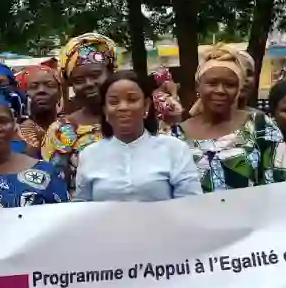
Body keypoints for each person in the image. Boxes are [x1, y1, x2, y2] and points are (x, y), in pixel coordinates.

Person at [172, 47, 286, 191]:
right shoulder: (176, 136)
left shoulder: (260, 127)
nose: (220, 90)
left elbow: (281, 182)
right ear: (198, 86)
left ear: (239, 88)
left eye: (230, 85)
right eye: (212, 83)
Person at [74, 70, 201, 202]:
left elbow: (191, 204)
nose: (123, 107)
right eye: (114, 102)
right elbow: (82, 206)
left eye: (132, 100)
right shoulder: (89, 155)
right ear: (105, 110)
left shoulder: (175, 149)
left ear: (146, 105)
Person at [42, 33, 117, 188]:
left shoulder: (135, 121)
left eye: (95, 75)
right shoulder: (60, 132)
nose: (88, 84)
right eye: (79, 80)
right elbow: (53, 185)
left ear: (110, 73)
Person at [16, 64, 62, 154]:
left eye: (50, 85)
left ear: (59, 93)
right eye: (33, 86)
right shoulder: (17, 134)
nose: (41, 90)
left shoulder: (70, 126)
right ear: (24, 93)